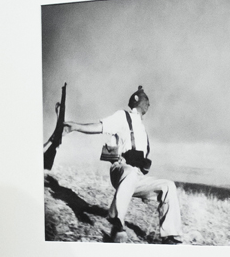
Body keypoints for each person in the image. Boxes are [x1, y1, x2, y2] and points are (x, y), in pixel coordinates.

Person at [63, 86, 184, 244]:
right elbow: (99, 127)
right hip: (120, 170)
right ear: (137, 101)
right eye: (146, 100)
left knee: (168, 186)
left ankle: (170, 236)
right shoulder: (123, 116)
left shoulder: (142, 129)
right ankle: (116, 221)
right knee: (130, 173)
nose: (149, 104)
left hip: (136, 176)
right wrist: (75, 126)